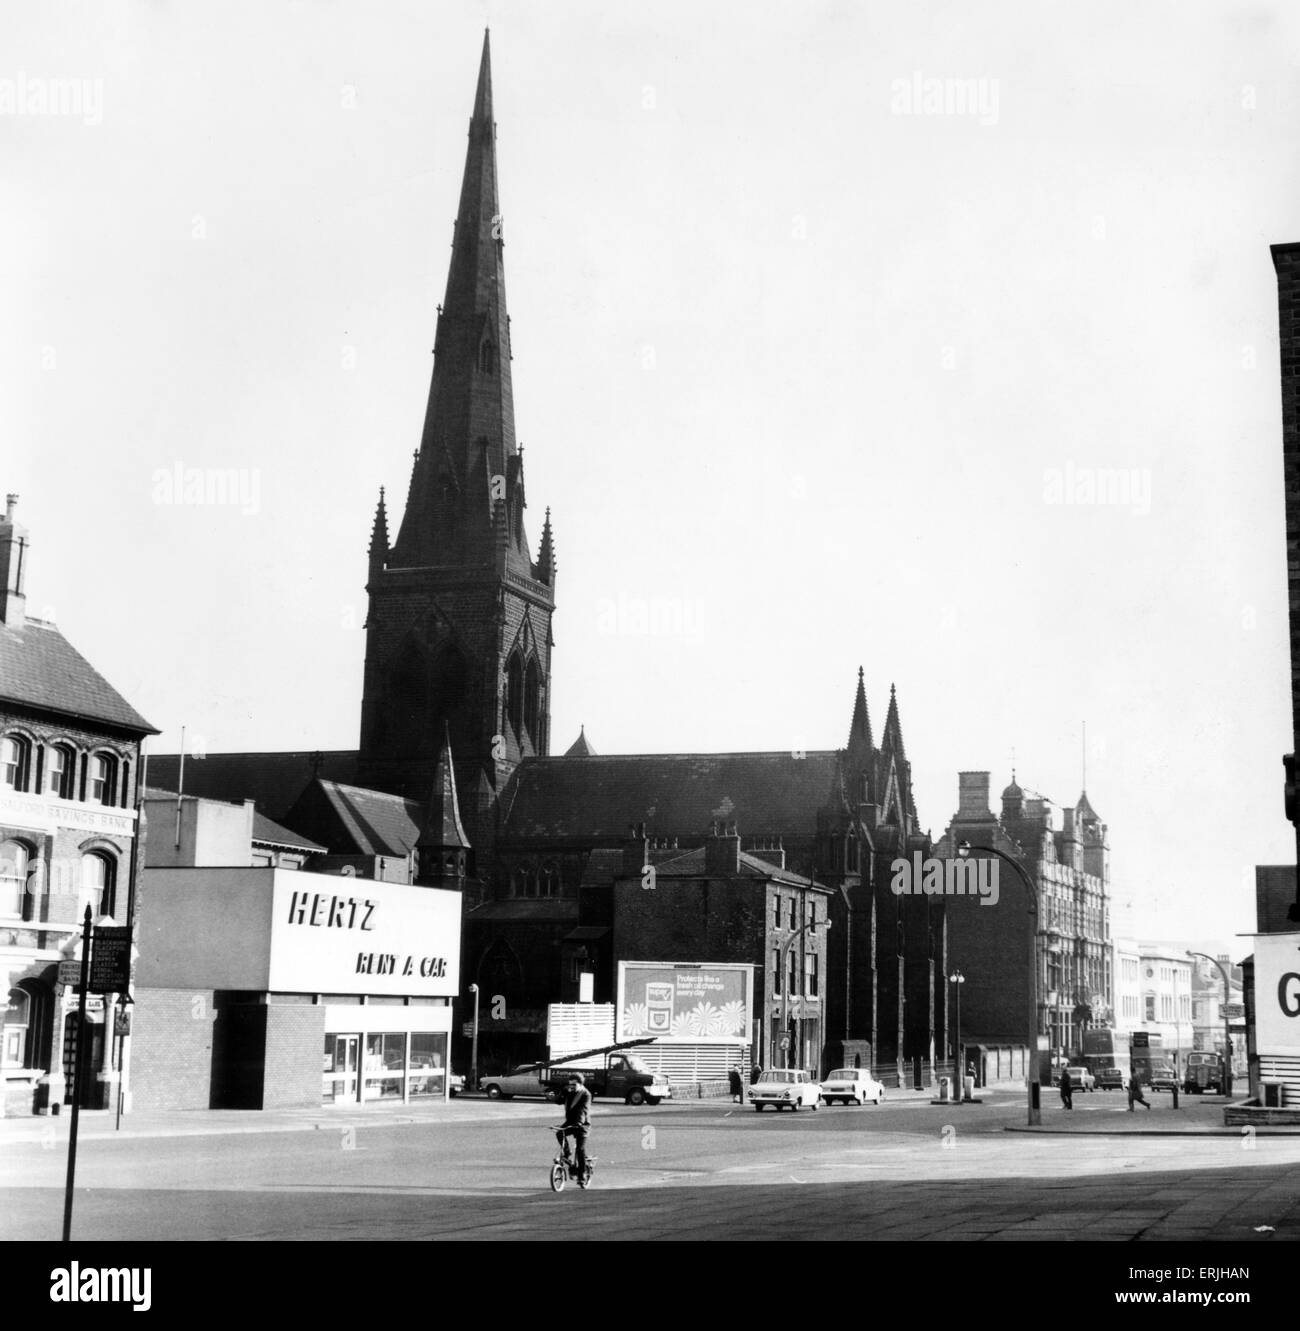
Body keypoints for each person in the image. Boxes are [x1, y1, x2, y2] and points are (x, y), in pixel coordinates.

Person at [560, 1072, 592, 1173]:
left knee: (580, 1150)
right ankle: (567, 1151)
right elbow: (559, 1101)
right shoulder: (569, 1092)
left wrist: (579, 1122)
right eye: (570, 1084)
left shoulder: (586, 1094)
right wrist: (559, 1094)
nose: (571, 1086)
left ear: (580, 1084)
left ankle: (582, 1175)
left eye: (574, 1084)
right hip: (571, 1122)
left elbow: (583, 1110)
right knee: (559, 1133)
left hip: (582, 1125)